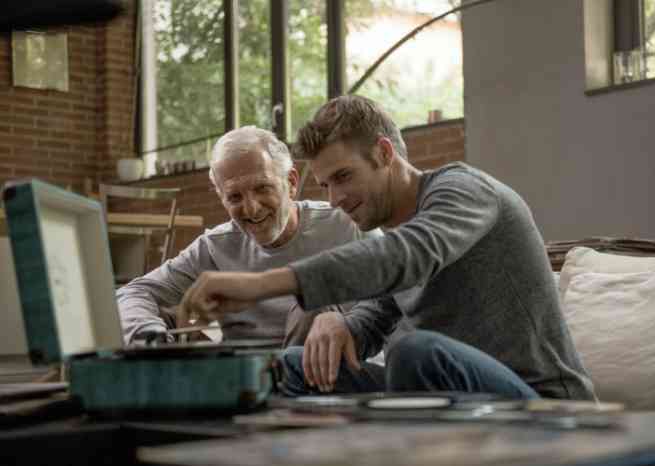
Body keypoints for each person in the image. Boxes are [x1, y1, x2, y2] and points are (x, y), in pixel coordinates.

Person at [180, 96, 596, 401]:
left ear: (383, 153)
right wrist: (340, 325)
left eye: (344, 176)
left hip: (546, 408)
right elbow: (379, 312)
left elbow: (407, 256)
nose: (335, 199)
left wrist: (259, 285)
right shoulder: (398, 230)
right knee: (286, 367)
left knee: (416, 353)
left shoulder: (464, 191)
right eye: (325, 185)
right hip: (460, 403)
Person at [116, 126, 385, 378]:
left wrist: (346, 324)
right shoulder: (215, 246)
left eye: (262, 188)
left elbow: (393, 298)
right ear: (221, 198)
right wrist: (149, 335)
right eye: (234, 197)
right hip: (245, 381)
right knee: (170, 317)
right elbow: (134, 292)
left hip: (332, 376)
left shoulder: (347, 224)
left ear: (291, 182)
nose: (252, 208)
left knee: (313, 304)